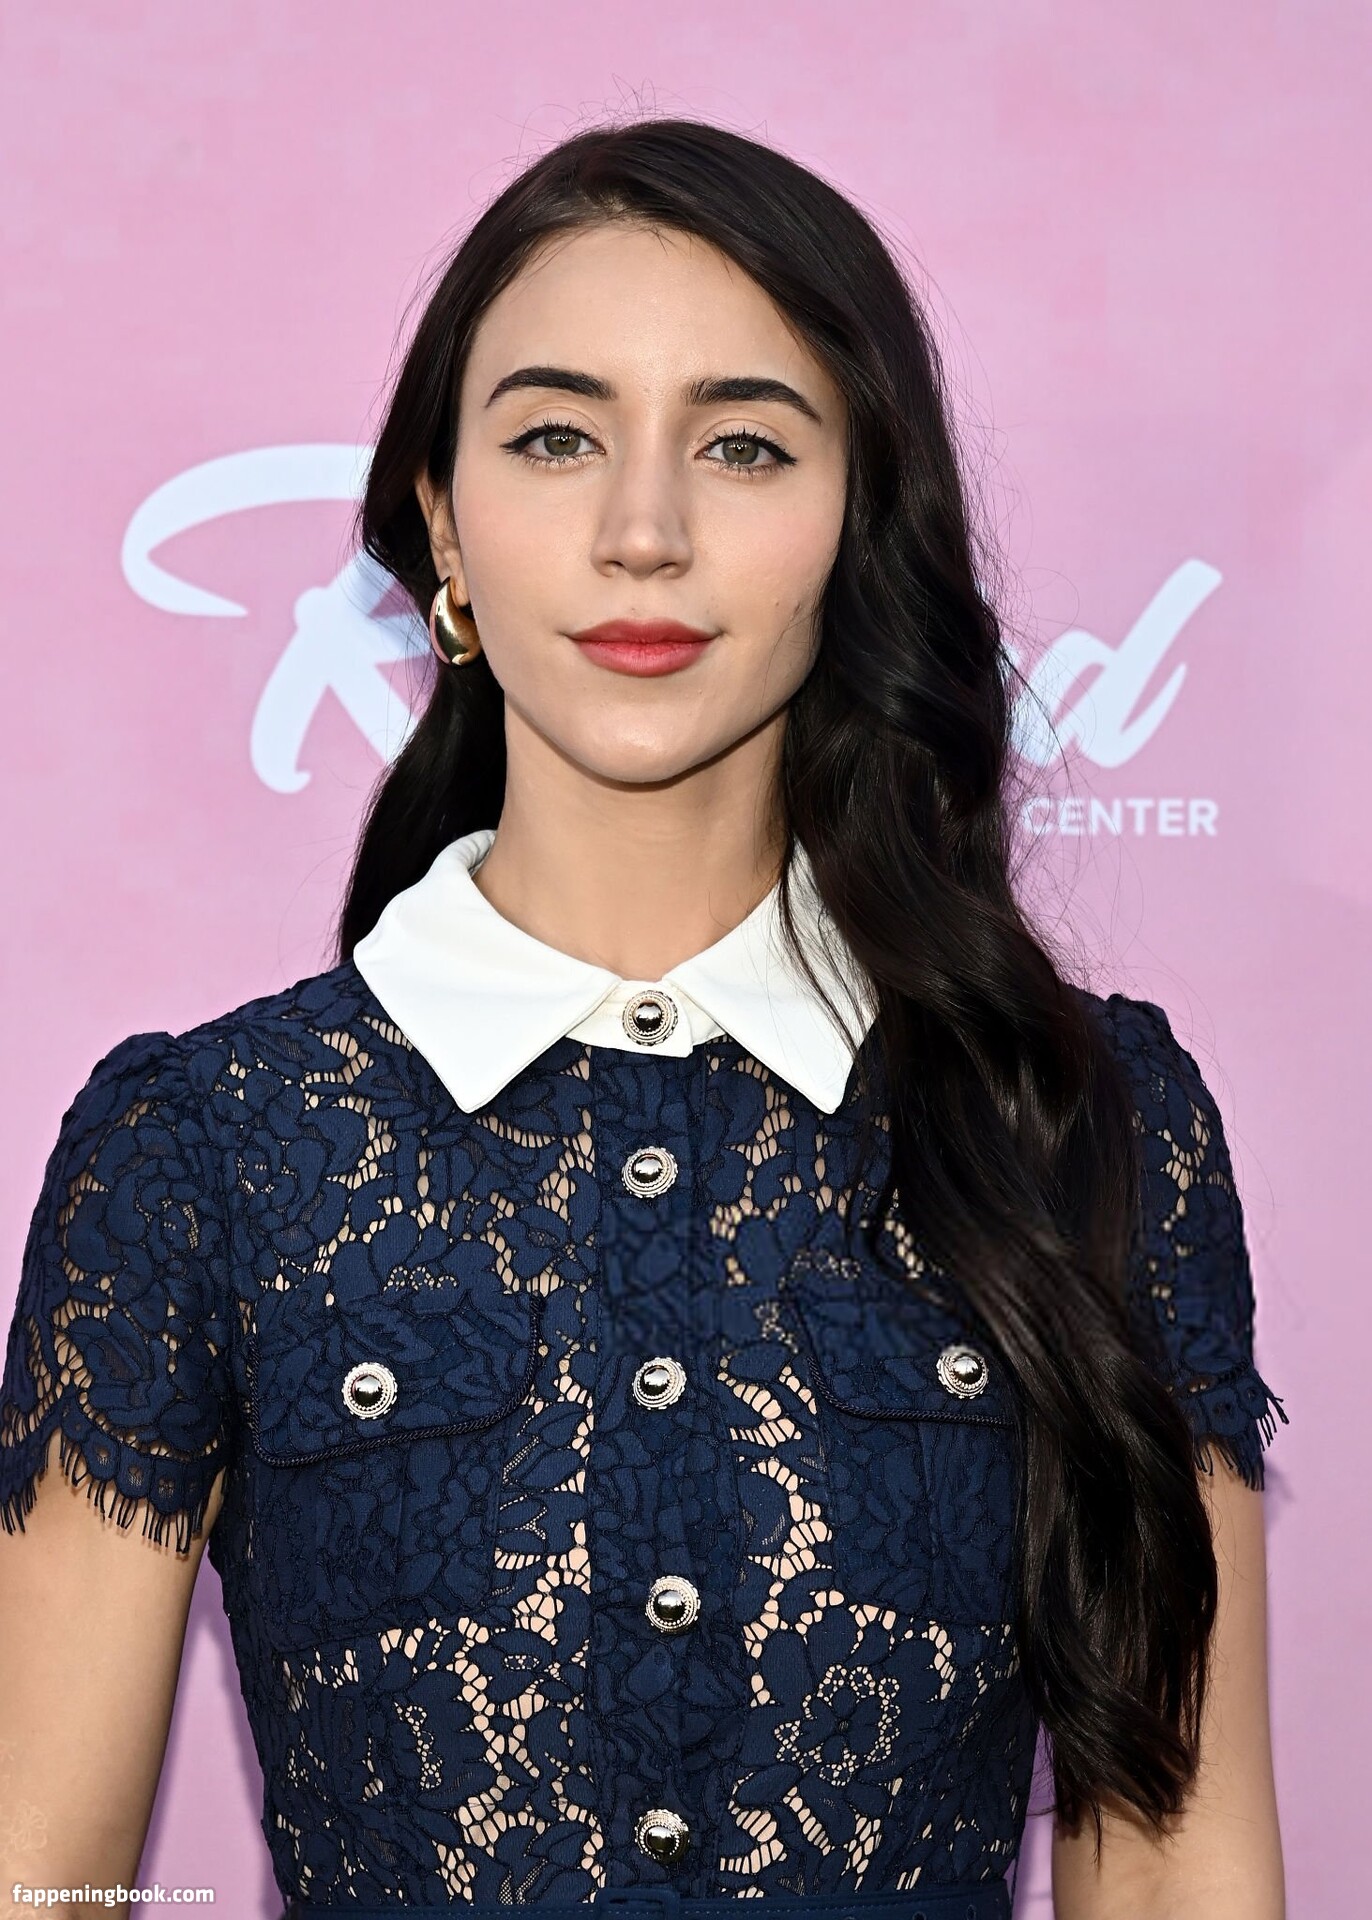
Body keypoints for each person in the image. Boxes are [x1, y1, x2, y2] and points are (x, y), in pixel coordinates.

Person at [0, 118, 1287, 1920]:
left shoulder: (1086, 1118)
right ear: (442, 522)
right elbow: (40, 1882)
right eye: (555, 437)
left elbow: (1174, 1862)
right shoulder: (205, 1152)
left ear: (859, 522)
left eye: (744, 444)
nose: (643, 533)